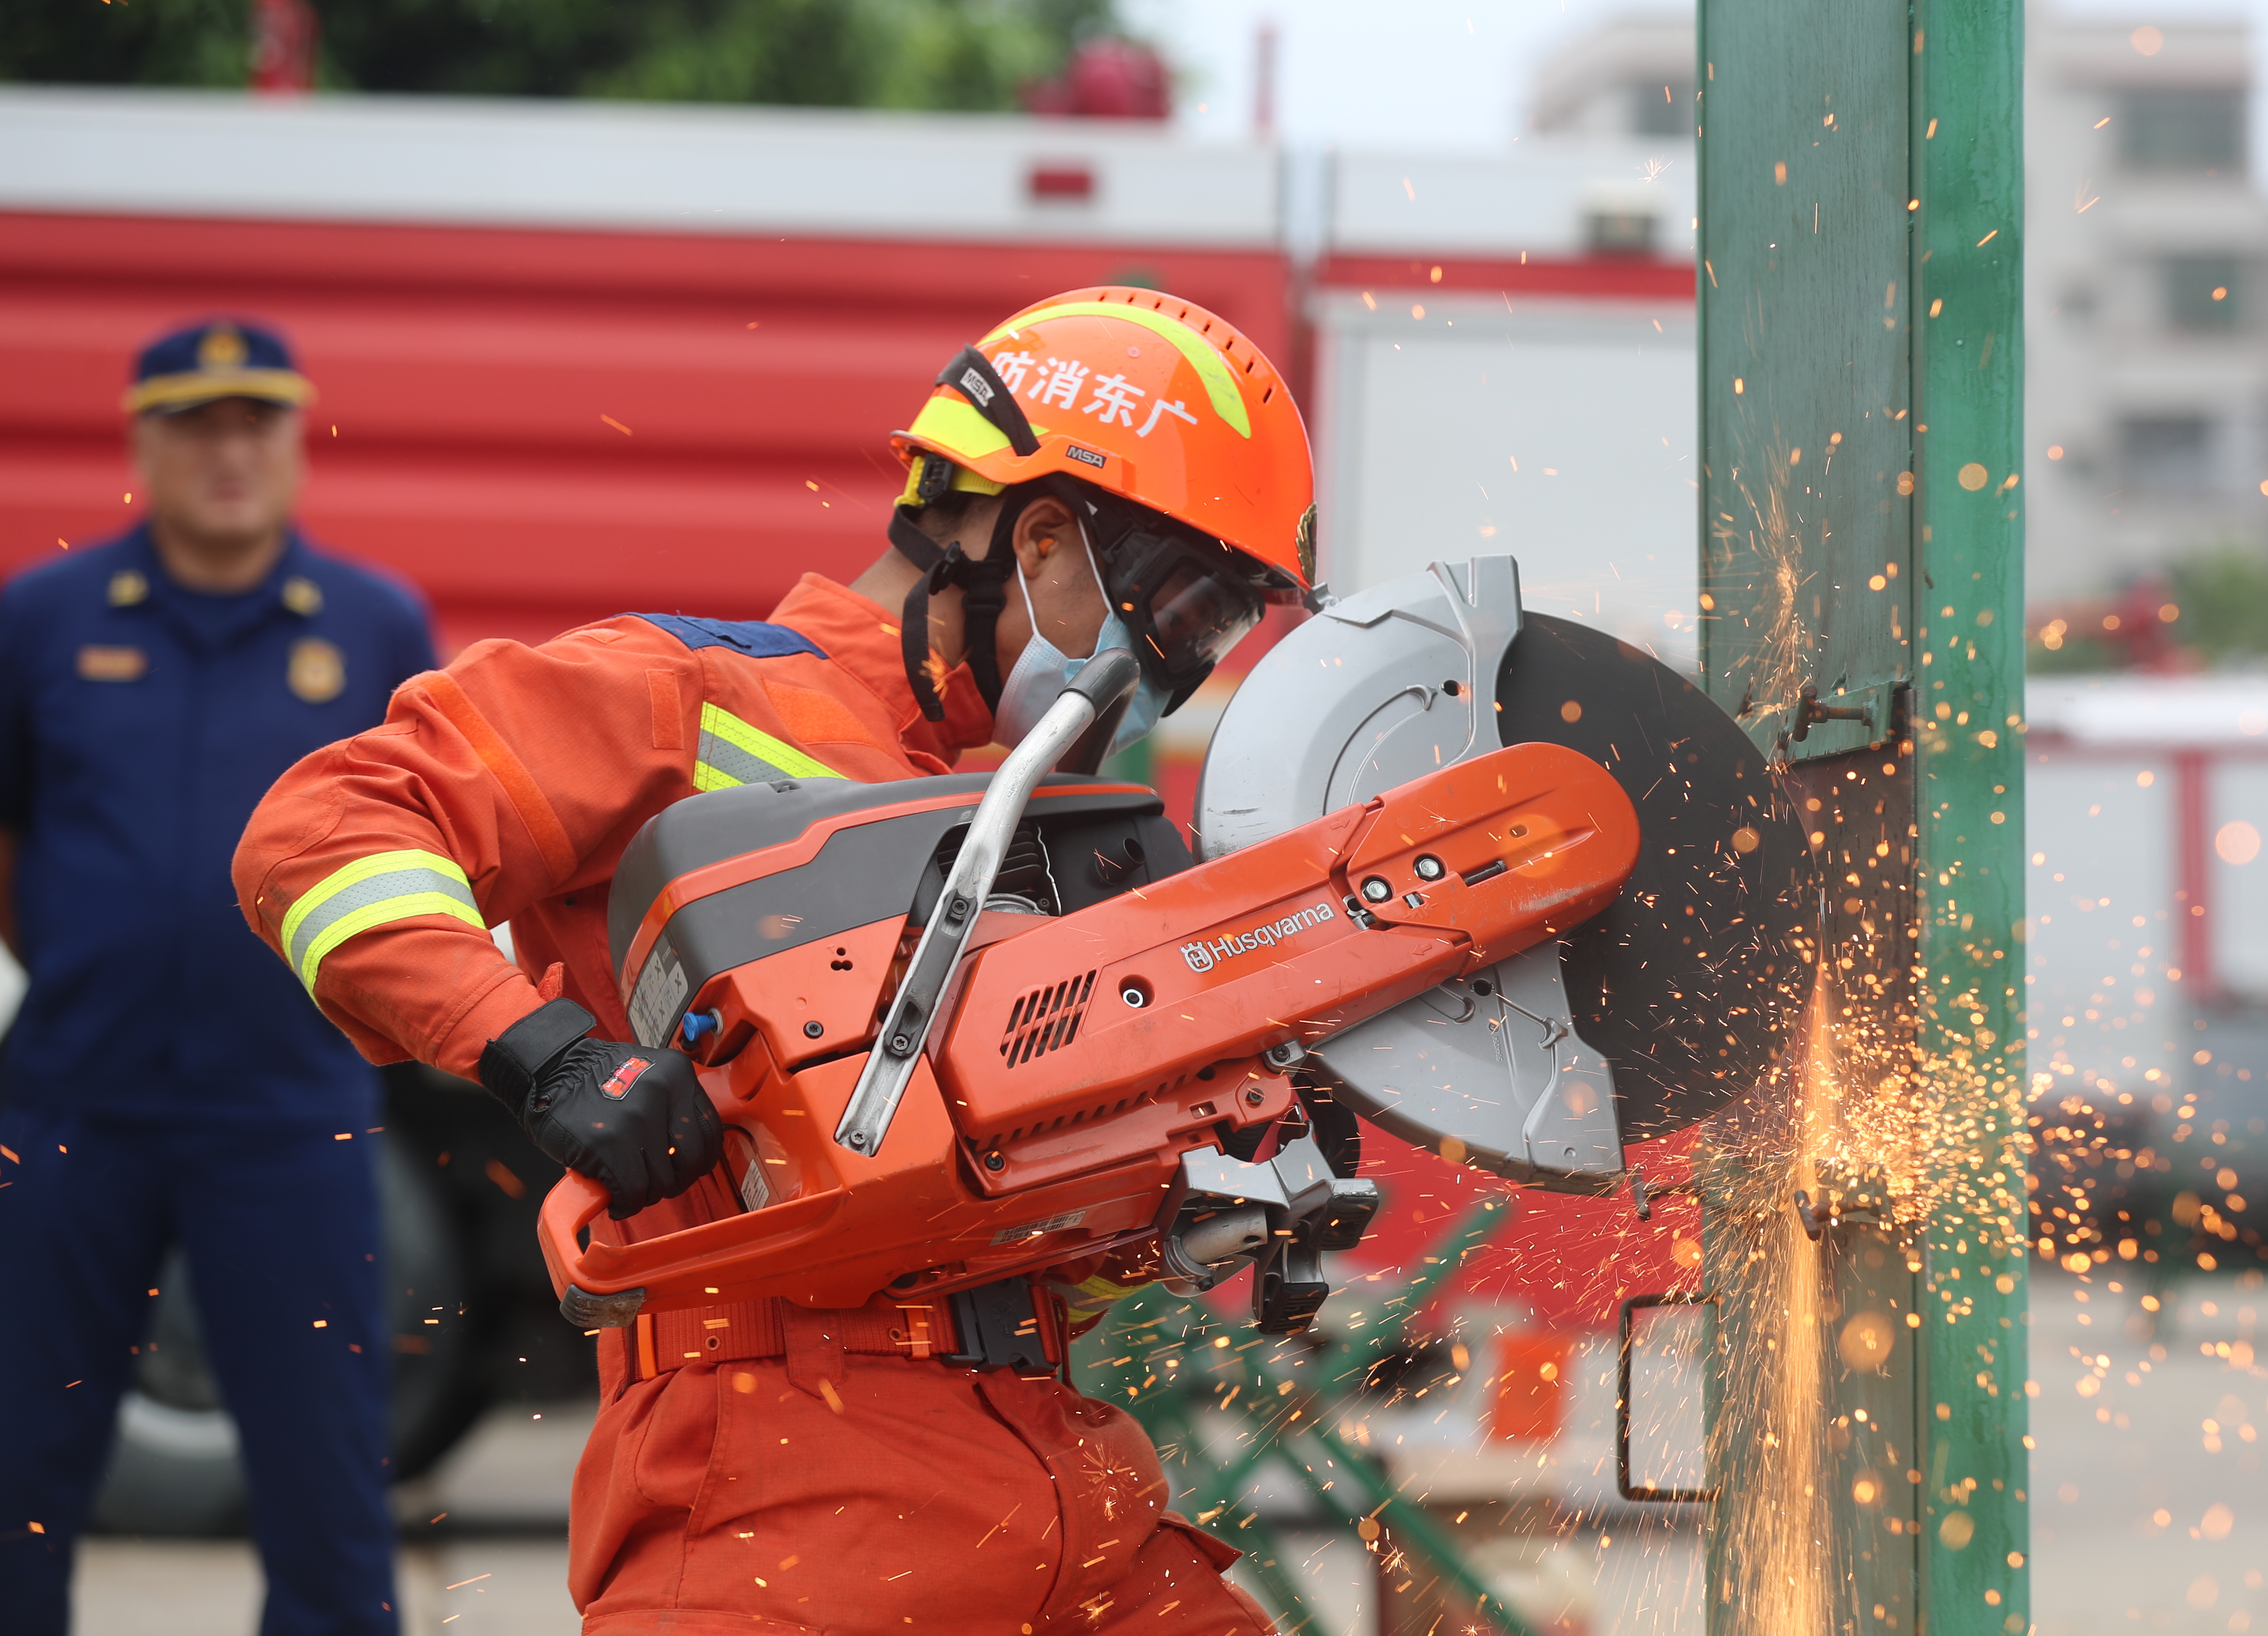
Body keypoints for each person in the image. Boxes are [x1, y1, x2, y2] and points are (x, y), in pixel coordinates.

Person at [231, 288, 1314, 1635]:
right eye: (1185, 612)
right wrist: (544, 1055)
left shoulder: (1056, 833)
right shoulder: (687, 696)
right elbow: (322, 827)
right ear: (1040, 539)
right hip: (774, 1492)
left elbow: (1045, 1222)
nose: (1183, 670)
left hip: (1070, 1492)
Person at [0, 319, 438, 1635]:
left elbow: (427, 840)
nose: (229, 452)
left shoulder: (372, 625)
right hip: (72, 1110)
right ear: (143, 443)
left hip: (290, 1116)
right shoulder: (40, 619)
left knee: (325, 1480)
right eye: (196, 424)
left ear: (297, 442)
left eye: (257, 422)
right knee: (20, 1466)